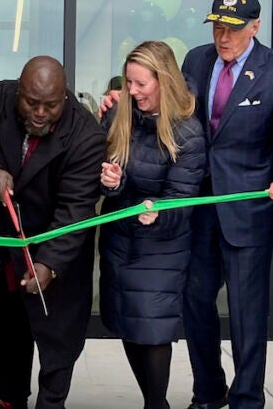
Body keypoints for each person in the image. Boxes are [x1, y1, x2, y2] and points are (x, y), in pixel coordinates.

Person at [180, 0, 273, 409]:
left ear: (255, 26)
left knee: (246, 313)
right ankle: (208, 391)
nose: (224, 37)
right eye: (218, 27)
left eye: (234, 29)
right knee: (195, 300)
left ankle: (247, 399)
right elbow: (177, 117)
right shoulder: (196, 60)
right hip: (199, 209)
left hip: (247, 212)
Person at [0, 56, 106, 409]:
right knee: (8, 322)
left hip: (57, 246)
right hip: (1, 242)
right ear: (18, 91)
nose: (39, 112)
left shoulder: (85, 134)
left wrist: (48, 262)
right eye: (31, 102)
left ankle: (51, 402)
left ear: (64, 98)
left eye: (50, 105)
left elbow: (76, 209)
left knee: (58, 333)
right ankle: (10, 396)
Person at [97, 41, 206, 409]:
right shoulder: (119, 115)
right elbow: (108, 174)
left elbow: (184, 195)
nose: (132, 91)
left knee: (154, 328)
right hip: (119, 241)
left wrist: (159, 211)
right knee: (128, 322)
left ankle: (156, 404)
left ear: (164, 80)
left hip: (163, 246)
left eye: (141, 84)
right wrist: (112, 181)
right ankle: (153, 402)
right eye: (129, 82)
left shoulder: (187, 130)